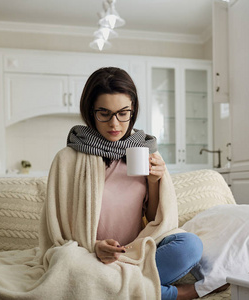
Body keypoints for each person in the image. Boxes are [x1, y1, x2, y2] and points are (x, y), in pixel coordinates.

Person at [64, 67, 203, 300]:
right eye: (104, 113)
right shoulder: (69, 159)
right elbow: (62, 230)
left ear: (133, 110)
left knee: (190, 246)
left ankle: (113, 284)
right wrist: (95, 246)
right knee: (70, 268)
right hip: (89, 256)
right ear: (90, 111)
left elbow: (153, 220)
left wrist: (154, 181)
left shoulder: (143, 151)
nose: (115, 123)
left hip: (135, 252)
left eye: (123, 113)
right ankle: (170, 294)